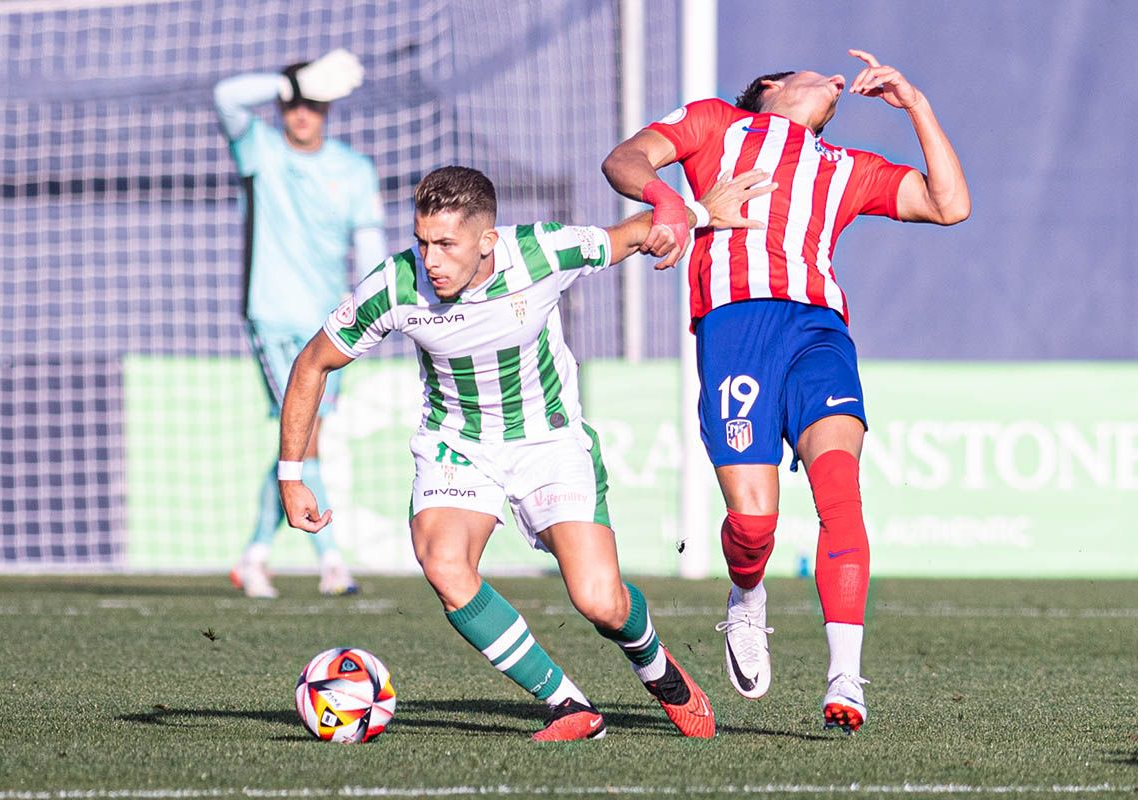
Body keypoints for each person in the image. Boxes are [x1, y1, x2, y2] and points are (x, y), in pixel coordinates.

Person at [276, 165, 774, 740]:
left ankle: (659, 671)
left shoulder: (543, 252)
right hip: (457, 444)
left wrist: (700, 212)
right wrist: (292, 474)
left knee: (599, 601)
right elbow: (313, 361)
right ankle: (568, 705)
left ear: (487, 240)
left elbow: (628, 235)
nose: (430, 259)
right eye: (421, 242)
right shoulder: (395, 285)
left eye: (445, 244)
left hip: (549, 440)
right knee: (443, 562)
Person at [602, 49, 970, 732]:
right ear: (770, 86)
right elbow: (626, 159)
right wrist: (682, 209)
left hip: (817, 330)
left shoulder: (845, 168)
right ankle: (747, 597)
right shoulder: (717, 124)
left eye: (840, 86)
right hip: (735, 328)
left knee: (840, 492)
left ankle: (845, 678)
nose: (835, 82)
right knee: (754, 525)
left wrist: (915, 103)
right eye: (819, 74)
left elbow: (950, 205)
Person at [213, 49, 388, 598]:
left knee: (303, 439)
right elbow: (226, 96)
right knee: (304, 436)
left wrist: (377, 306)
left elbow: (370, 244)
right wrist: (290, 80)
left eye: (312, 102)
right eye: (293, 103)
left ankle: (255, 555)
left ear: (328, 109)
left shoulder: (354, 169)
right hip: (271, 318)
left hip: (330, 327)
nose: (301, 113)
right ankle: (330, 561)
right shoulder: (260, 149)